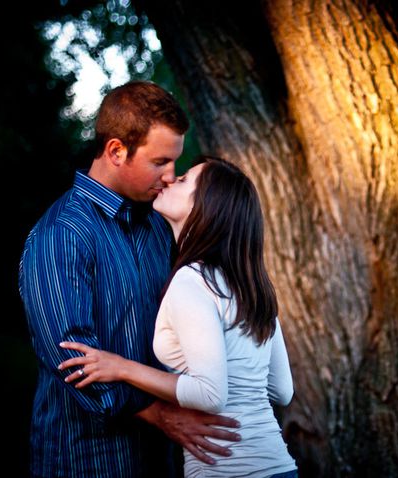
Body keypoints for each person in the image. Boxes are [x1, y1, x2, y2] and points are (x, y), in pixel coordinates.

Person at [19, 82, 240, 478]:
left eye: (175, 162)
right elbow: (73, 361)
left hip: (163, 457)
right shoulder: (62, 234)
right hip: (88, 460)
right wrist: (162, 416)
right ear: (117, 151)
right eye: (160, 162)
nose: (171, 176)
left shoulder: (158, 225)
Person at [59, 157, 298, 478]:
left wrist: (121, 367)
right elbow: (282, 390)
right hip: (279, 466)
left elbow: (210, 394)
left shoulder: (193, 281)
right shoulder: (253, 287)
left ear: (205, 207)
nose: (171, 179)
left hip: (230, 469)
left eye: (184, 180)